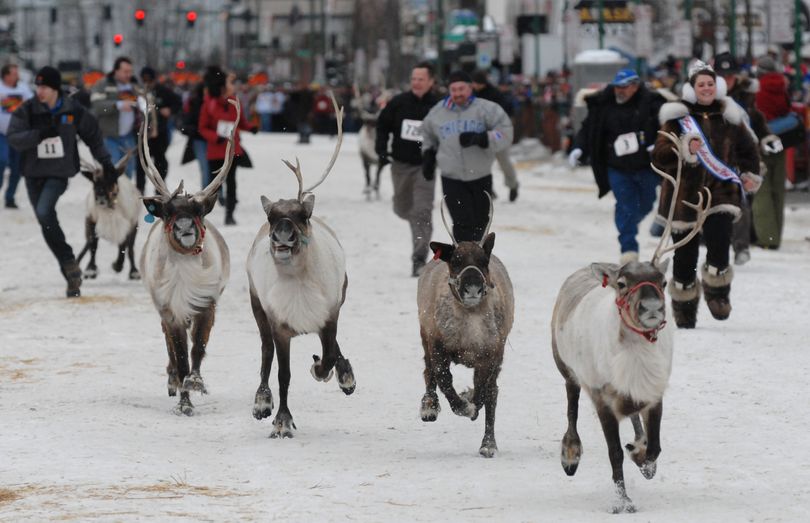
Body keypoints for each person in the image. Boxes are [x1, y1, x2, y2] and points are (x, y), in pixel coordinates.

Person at [652, 60, 762, 329]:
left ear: (718, 86)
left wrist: (749, 175)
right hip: (683, 196)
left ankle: (718, 293)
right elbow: (659, 156)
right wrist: (684, 147)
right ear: (692, 88)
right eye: (701, 84)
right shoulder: (677, 118)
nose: (706, 89)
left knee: (719, 243)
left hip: (720, 192)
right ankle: (684, 305)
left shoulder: (729, 115)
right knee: (686, 256)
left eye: (710, 84)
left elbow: (749, 150)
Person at [7, 66, 118, 298]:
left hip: (59, 172)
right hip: (33, 173)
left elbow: (93, 136)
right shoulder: (28, 110)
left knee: (44, 210)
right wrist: (37, 135)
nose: (40, 91)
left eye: (45, 87)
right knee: (45, 221)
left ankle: (68, 263)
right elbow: (14, 137)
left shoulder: (73, 110)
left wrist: (106, 163)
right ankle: (70, 268)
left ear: (55, 88)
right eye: (38, 86)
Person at [569, 68, 668, 265]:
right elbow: (588, 129)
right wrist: (579, 148)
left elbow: (666, 126)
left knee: (647, 203)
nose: (619, 91)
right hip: (617, 168)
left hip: (646, 167)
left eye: (624, 87)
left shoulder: (652, 104)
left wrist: (657, 142)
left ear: (635, 86)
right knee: (625, 205)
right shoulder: (603, 105)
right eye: (617, 87)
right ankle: (628, 248)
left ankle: (629, 223)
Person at [420, 70, 513, 243]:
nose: (457, 94)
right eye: (453, 90)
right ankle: (462, 260)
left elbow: (506, 133)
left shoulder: (487, 109)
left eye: (461, 89)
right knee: (462, 223)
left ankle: (477, 260)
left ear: (470, 88)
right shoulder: (437, 113)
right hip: (451, 177)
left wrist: (484, 138)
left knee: (480, 223)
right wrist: (428, 154)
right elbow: (426, 135)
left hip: (480, 175)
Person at [714, 52, 784, 264]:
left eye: (730, 75)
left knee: (742, 201)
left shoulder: (746, 96)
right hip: (715, 156)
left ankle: (741, 247)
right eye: (722, 75)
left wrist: (766, 137)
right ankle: (719, 244)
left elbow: (757, 120)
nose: (727, 79)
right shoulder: (707, 94)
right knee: (717, 203)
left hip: (742, 156)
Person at [375, 62, 440, 277]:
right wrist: (382, 151)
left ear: (431, 81)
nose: (416, 83)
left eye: (421, 79)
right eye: (414, 79)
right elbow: (382, 125)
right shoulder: (398, 103)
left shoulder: (439, 106)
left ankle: (419, 257)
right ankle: (416, 222)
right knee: (403, 208)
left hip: (425, 167)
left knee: (422, 210)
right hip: (401, 165)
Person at [198, 66, 257, 226]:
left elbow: (240, 122)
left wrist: (251, 127)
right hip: (216, 150)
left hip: (232, 150)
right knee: (213, 185)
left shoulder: (234, 102)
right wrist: (214, 137)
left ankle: (230, 214)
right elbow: (202, 127)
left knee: (232, 183)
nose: (233, 86)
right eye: (230, 83)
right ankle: (202, 213)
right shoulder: (208, 104)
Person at [753, 55, 791, 250]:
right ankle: (777, 234)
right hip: (780, 140)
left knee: (762, 190)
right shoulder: (783, 86)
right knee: (778, 189)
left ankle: (768, 238)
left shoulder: (757, 89)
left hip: (762, 140)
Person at [471, 70, 519, 202]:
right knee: (481, 163)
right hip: (482, 135)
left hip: (498, 134)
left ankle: (513, 185)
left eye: (475, 83)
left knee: (503, 161)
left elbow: (505, 113)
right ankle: (488, 189)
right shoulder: (473, 95)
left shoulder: (495, 94)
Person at [90, 56, 139, 180]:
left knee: (128, 173)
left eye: (130, 71)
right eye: (125, 71)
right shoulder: (103, 84)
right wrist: (117, 105)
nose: (128, 74)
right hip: (109, 137)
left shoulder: (135, 86)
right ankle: (114, 195)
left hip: (129, 137)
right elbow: (97, 106)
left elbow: (146, 102)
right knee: (113, 171)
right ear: (116, 71)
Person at [134, 66, 182, 194]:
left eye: (149, 80)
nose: (147, 83)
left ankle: (159, 188)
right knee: (141, 162)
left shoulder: (163, 91)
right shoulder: (138, 92)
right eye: (144, 80)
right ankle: (140, 188)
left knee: (160, 162)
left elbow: (178, 101)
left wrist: (170, 110)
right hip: (142, 133)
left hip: (160, 132)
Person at [0, 63, 33, 208]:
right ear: (6, 75)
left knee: (17, 167)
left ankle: (10, 197)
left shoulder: (23, 88)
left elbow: (32, 104)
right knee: (2, 160)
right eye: (14, 73)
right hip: (1, 133)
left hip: (19, 134)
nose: (17, 76)